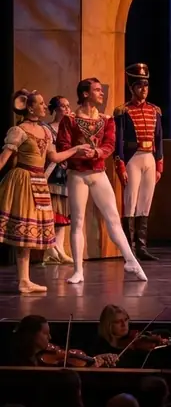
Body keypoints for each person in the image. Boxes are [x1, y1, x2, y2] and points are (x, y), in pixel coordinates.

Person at [57, 78, 147, 284]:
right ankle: (78, 270)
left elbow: (110, 144)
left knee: (113, 218)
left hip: (98, 173)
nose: (101, 93)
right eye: (97, 90)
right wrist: (80, 153)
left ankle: (130, 259)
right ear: (85, 94)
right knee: (78, 221)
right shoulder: (69, 120)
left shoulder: (107, 120)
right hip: (77, 174)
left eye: (101, 90)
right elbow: (63, 147)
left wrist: (96, 152)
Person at [0, 90, 90, 293]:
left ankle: (25, 280)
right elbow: (4, 159)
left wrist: (76, 149)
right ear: (30, 108)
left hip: (39, 181)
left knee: (29, 234)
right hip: (23, 180)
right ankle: (23, 280)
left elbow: (55, 157)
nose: (44, 107)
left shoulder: (46, 131)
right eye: (40, 103)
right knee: (22, 231)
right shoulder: (19, 130)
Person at [113, 63, 163, 262]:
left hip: (149, 157)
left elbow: (158, 138)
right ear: (132, 88)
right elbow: (119, 140)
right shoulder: (122, 111)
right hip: (132, 157)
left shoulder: (155, 110)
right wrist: (120, 164)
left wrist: (159, 163)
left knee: (145, 201)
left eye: (146, 85)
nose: (144, 89)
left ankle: (142, 246)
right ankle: (129, 248)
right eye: (140, 85)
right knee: (130, 200)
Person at [42, 95, 73, 265]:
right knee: (50, 214)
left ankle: (59, 248)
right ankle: (50, 250)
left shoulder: (70, 129)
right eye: (63, 106)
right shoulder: (47, 129)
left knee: (62, 215)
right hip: (50, 174)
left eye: (68, 106)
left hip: (65, 175)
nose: (67, 109)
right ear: (54, 109)